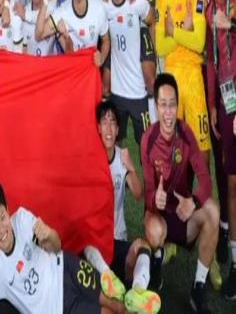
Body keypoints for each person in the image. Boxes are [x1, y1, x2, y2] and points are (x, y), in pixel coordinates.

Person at [0, 183, 125, 314]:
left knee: (116, 303)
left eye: (2, 217)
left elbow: (56, 247)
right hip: (56, 307)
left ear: (8, 211)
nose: (2, 229)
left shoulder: (21, 220)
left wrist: (49, 234)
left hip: (66, 267)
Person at [141, 73, 219, 313]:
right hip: (160, 218)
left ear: (177, 105)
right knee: (153, 229)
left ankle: (198, 287)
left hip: (184, 217)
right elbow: (148, 192)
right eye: (163, 105)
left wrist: (193, 201)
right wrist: (155, 199)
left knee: (213, 212)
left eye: (172, 104)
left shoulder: (186, 133)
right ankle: (156, 263)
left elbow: (205, 180)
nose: (168, 112)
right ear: (156, 107)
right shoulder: (147, 139)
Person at [84, 100, 161, 314]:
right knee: (89, 248)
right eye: (104, 122)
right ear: (98, 128)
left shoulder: (121, 157)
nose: (109, 128)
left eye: (113, 123)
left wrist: (131, 168)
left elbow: (137, 194)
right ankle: (109, 278)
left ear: (118, 130)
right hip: (96, 243)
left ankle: (136, 291)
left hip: (117, 238)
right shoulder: (90, 159)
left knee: (143, 247)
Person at [155, 0, 210, 162]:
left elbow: (198, 42)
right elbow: (160, 47)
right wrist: (184, 31)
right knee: (173, 151)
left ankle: (204, 188)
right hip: (171, 78)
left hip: (194, 77)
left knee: (202, 148)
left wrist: (174, 32)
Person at [204, 0, 236, 299]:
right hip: (224, 102)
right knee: (229, 176)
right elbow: (212, 61)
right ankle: (230, 247)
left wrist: (233, 23)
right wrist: (213, 105)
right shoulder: (209, 6)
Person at [103, 0, 155, 145]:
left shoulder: (136, 0)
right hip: (117, 93)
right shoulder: (104, 3)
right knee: (115, 145)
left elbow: (151, 20)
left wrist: (152, 54)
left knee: (146, 148)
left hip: (138, 91)